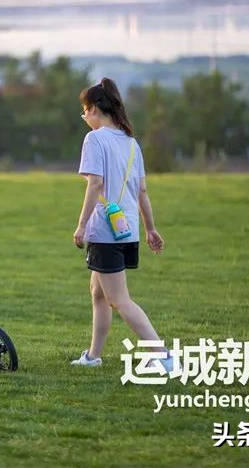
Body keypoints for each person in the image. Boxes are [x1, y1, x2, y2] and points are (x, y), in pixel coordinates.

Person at [71, 77, 171, 371]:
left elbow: (95, 184)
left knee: (119, 299)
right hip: (127, 230)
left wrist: (81, 226)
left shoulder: (95, 139)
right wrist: (150, 228)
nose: (84, 117)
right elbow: (142, 191)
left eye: (84, 111)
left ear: (94, 109)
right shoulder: (131, 143)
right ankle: (93, 356)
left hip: (105, 230)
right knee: (98, 293)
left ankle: (162, 355)